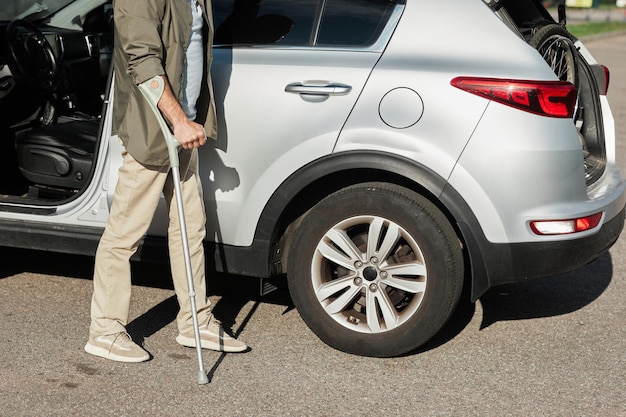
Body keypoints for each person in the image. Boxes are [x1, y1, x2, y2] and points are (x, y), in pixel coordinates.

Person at [84, 0, 247, 363]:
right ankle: (105, 330)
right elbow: (141, 60)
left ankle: (195, 321)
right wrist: (178, 121)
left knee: (191, 229)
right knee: (126, 232)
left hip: (184, 130)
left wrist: (189, 122)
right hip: (153, 131)